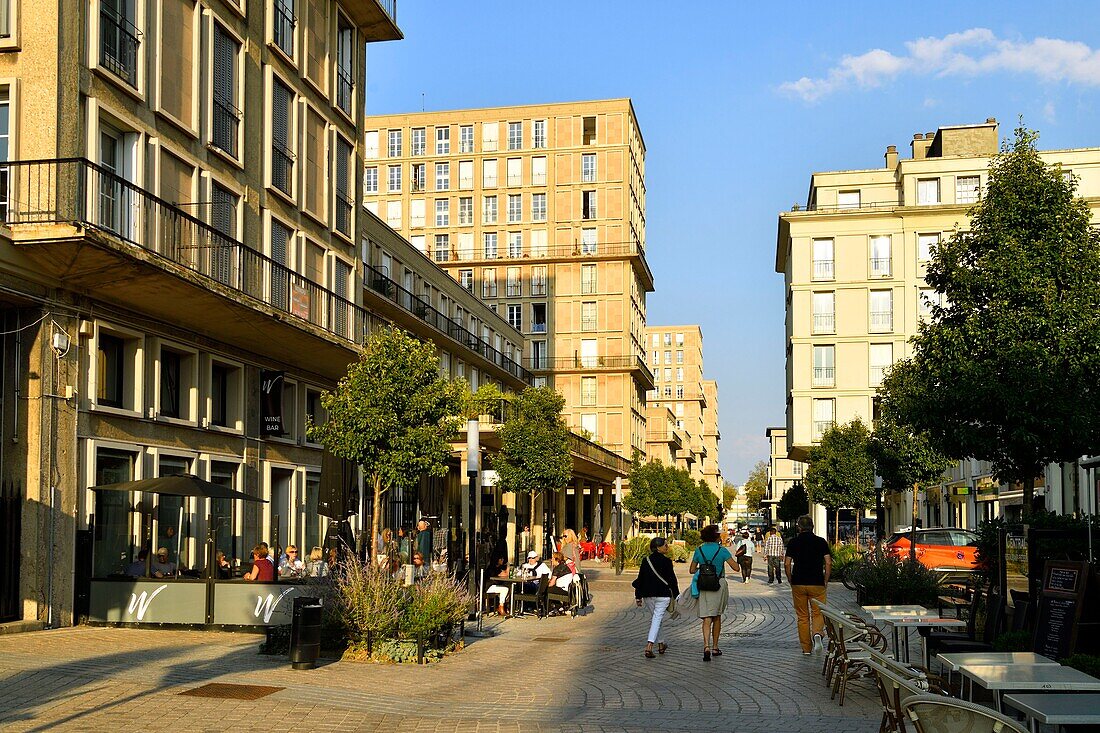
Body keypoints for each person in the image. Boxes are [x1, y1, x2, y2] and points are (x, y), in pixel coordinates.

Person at [689, 524, 738, 661]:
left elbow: (692, 570)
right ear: (716, 536)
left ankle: (706, 646)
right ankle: (715, 647)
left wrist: (704, 568)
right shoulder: (722, 551)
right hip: (718, 584)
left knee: (706, 617)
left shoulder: (699, 550)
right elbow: (736, 568)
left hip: (704, 584)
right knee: (717, 616)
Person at [785, 514, 832, 656]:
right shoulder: (821, 542)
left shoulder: (793, 542)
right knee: (817, 613)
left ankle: (806, 649)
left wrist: (790, 578)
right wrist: (826, 579)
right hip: (817, 582)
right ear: (812, 527)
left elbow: (787, 563)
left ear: (799, 527)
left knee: (802, 616)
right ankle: (817, 633)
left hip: (798, 582)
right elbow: (828, 562)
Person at [633, 537, 679, 659]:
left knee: (656, 619)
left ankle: (661, 644)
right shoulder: (667, 561)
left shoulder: (646, 560)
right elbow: (672, 580)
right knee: (657, 619)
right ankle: (649, 645)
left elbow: (640, 578)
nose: (667, 547)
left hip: (648, 595)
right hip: (663, 595)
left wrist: (638, 596)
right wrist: (677, 595)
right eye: (665, 545)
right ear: (658, 547)